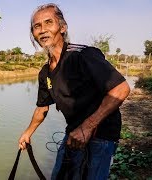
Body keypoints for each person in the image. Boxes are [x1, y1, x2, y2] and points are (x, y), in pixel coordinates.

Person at [18, 3, 130, 180]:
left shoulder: (83, 55)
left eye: (49, 22)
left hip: (101, 133)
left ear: (62, 27)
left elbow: (121, 88)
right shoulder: (45, 72)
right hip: (74, 132)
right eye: (37, 26)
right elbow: (42, 108)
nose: (42, 30)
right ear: (33, 33)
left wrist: (87, 127)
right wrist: (27, 133)